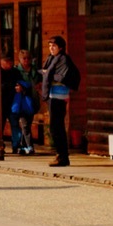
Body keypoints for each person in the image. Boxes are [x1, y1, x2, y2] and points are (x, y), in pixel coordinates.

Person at [42, 36, 75, 167]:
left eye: (54, 46)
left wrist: (48, 74)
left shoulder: (63, 59)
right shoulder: (51, 58)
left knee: (57, 127)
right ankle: (61, 155)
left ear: (60, 47)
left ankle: (62, 156)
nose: (51, 48)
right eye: (50, 46)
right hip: (52, 96)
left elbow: (63, 76)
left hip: (59, 97)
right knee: (55, 127)